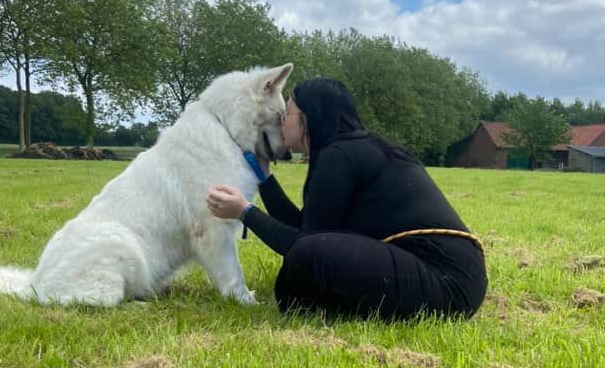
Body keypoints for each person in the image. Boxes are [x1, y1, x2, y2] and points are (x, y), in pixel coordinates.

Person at [206, 77, 487, 320]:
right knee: (306, 260)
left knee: (303, 262)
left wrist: (245, 212)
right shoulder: (350, 149)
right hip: (453, 276)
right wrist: (264, 177)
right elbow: (308, 228)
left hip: (444, 280)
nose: (282, 122)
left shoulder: (338, 156)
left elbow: (302, 244)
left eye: (288, 114)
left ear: (309, 118)